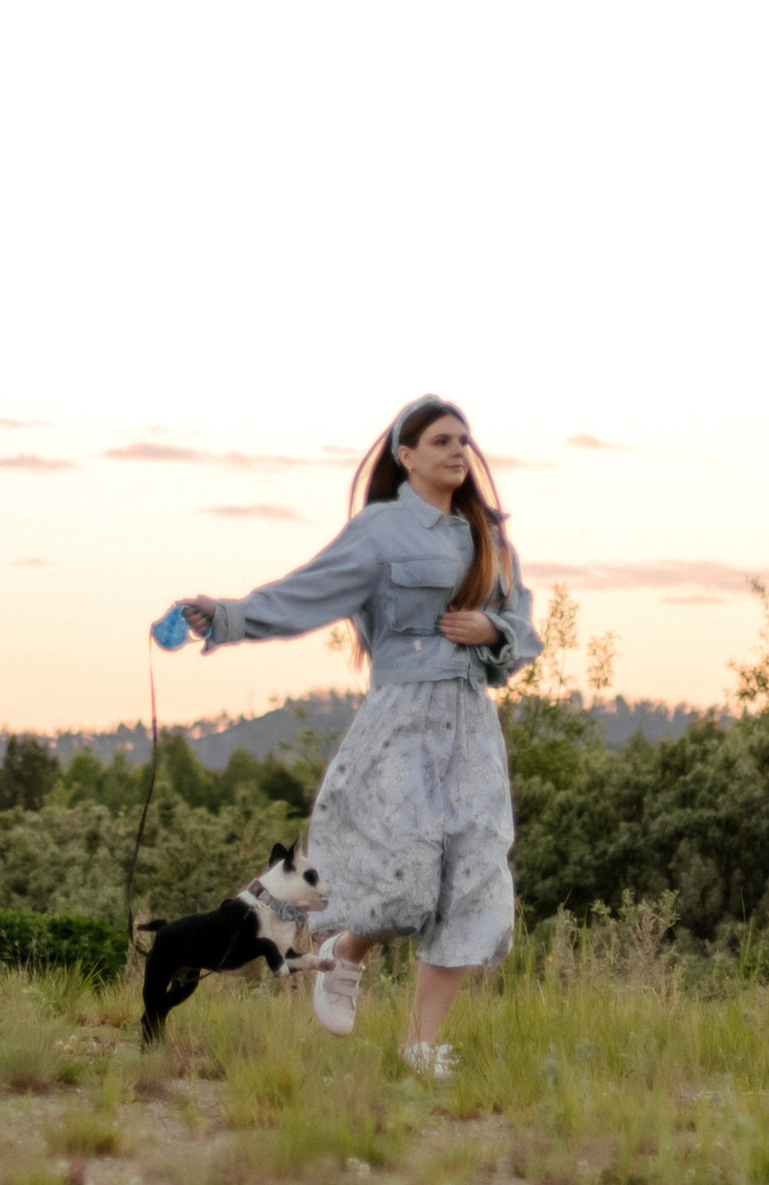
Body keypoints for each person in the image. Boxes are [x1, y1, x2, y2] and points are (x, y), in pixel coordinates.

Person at [176, 396, 535, 1076]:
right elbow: (305, 594)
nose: (458, 452)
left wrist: (494, 632)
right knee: (407, 877)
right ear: (406, 456)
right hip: (401, 721)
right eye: (440, 442)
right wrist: (226, 617)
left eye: (464, 440)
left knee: (475, 880)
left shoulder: (487, 537)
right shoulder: (379, 531)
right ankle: (344, 954)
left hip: (471, 728)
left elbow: (522, 633)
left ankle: (421, 1048)